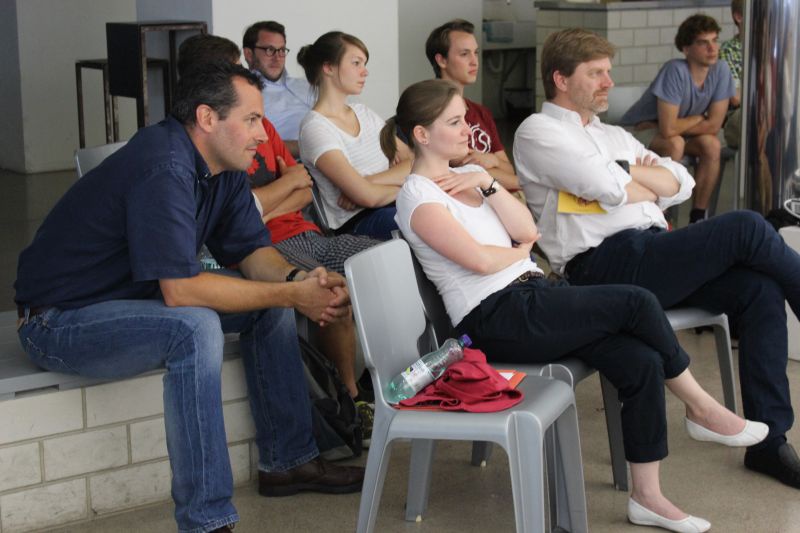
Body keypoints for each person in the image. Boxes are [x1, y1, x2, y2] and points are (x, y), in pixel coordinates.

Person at [386, 78, 766, 533]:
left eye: (464, 118)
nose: (468, 128)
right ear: (422, 135)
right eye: (454, 122)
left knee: (640, 358)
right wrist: (518, 253)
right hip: (492, 317)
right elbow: (481, 261)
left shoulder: (469, 177)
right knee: (637, 302)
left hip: (531, 294)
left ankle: (647, 498)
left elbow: (528, 230)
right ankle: (701, 408)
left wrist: (487, 183)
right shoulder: (417, 195)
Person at [14, 60, 364, 533]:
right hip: (58, 321)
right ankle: (206, 519)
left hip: (131, 305)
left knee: (269, 305)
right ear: (206, 118)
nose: (262, 134)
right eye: (252, 120)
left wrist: (301, 281)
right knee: (194, 327)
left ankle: (289, 462)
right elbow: (180, 291)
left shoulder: (225, 165)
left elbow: (253, 253)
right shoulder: (164, 165)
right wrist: (290, 294)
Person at [515, 27, 800, 494]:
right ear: (561, 79)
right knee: (746, 226)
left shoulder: (613, 135)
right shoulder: (537, 132)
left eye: (608, 72)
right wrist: (637, 182)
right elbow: (606, 188)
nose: (609, 82)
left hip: (651, 252)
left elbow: (681, 182)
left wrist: (629, 175)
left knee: (760, 289)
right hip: (602, 266)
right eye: (596, 73)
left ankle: (769, 442)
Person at [179, 34, 379, 415]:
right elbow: (222, 234)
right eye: (234, 71)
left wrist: (265, 205)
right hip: (267, 246)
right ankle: (350, 404)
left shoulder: (254, 134)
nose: (259, 129)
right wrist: (277, 194)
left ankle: (388, 384)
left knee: (389, 259)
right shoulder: (198, 156)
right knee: (326, 291)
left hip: (306, 232)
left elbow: (303, 187)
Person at [620, 14, 735, 223]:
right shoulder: (675, 70)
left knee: (712, 144)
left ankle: (698, 217)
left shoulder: (721, 70)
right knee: (675, 143)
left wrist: (679, 125)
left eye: (714, 40)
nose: (712, 48)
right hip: (638, 130)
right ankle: (663, 217)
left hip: (672, 131)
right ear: (686, 48)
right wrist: (699, 118)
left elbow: (714, 126)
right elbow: (668, 130)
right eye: (703, 43)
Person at [297, 31, 411, 241]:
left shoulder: (365, 113)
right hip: (358, 222)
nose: (365, 72)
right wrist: (406, 185)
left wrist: (369, 181)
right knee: (427, 218)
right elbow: (367, 197)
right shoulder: (315, 128)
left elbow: (413, 162)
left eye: (364, 64)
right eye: (356, 63)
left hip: (392, 205)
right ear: (328, 67)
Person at [425, 19, 520, 191]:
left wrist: (492, 160)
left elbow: (508, 169)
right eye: (464, 54)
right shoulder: (431, 111)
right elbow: (464, 167)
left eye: (475, 53)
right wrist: (522, 184)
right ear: (442, 60)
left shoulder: (481, 112)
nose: (474, 61)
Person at [242, 20, 314, 158]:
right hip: (294, 162)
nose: (277, 58)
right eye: (269, 50)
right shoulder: (245, 95)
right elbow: (253, 145)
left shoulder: (307, 85)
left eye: (281, 50)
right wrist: (313, 147)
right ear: (249, 54)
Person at [720, 0, 744, 148]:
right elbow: (735, 98)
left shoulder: (778, 51)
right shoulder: (728, 50)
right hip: (739, 114)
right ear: (739, 17)